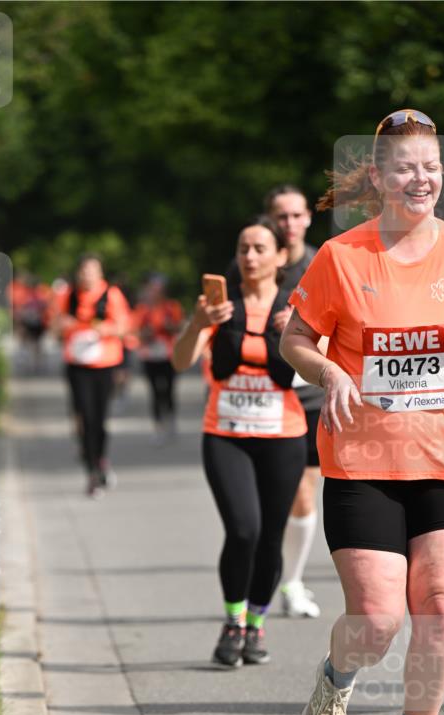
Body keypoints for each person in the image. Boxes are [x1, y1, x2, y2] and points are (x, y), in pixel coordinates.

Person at [280, 109, 444, 715]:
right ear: (380, 177)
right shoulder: (342, 256)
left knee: (441, 605)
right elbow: (293, 339)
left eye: (431, 168)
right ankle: (337, 676)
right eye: (406, 168)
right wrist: (326, 369)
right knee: (379, 617)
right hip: (363, 462)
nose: (420, 179)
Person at [173, 216, 307, 667]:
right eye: (243, 248)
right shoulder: (218, 306)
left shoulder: (298, 306)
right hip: (225, 434)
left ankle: (256, 621)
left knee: (271, 536)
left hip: (282, 437)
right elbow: (180, 360)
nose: (250, 257)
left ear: (280, 257)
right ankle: (232, 621)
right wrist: (196, 323)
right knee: (243, 529)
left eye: (260, 248)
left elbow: (318, 369)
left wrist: (300, 333)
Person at [229, 186, 322, 618]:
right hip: (265, 395)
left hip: (311, 394)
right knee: (265, 503)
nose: (289, 224)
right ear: (270, 218)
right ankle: (266, 572)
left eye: (296, 215)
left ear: (307, 219)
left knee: (304, 493)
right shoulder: (248, 260)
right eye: (280, 216)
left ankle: (292, 581)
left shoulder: (325, 261)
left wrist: (305, 329)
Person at [54, 254, 132, 497]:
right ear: (78, 273)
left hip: (105, 364)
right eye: (84, 271)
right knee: (83, 416)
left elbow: (124, 327)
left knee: (99, 418)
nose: (87, 275)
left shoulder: (112, 295)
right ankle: (91, 470)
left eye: (92, 271)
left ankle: (100, 459)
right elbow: (55, 327)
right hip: (77, 364)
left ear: (100, 274)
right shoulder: (68, 295)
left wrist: (105, 328)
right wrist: (65, 325)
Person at [134, 273, 184, 443]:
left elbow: (178, 327)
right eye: (152, 289)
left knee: (169, 390)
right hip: (150, 355)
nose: (154, 293)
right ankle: (158, 426)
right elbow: (137, 331)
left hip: (168, 355)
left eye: (158, 289)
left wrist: (167, 326)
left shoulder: (172, 306)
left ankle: (171, 421)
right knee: (155, 392)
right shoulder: (143, 309)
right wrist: (146, 333)